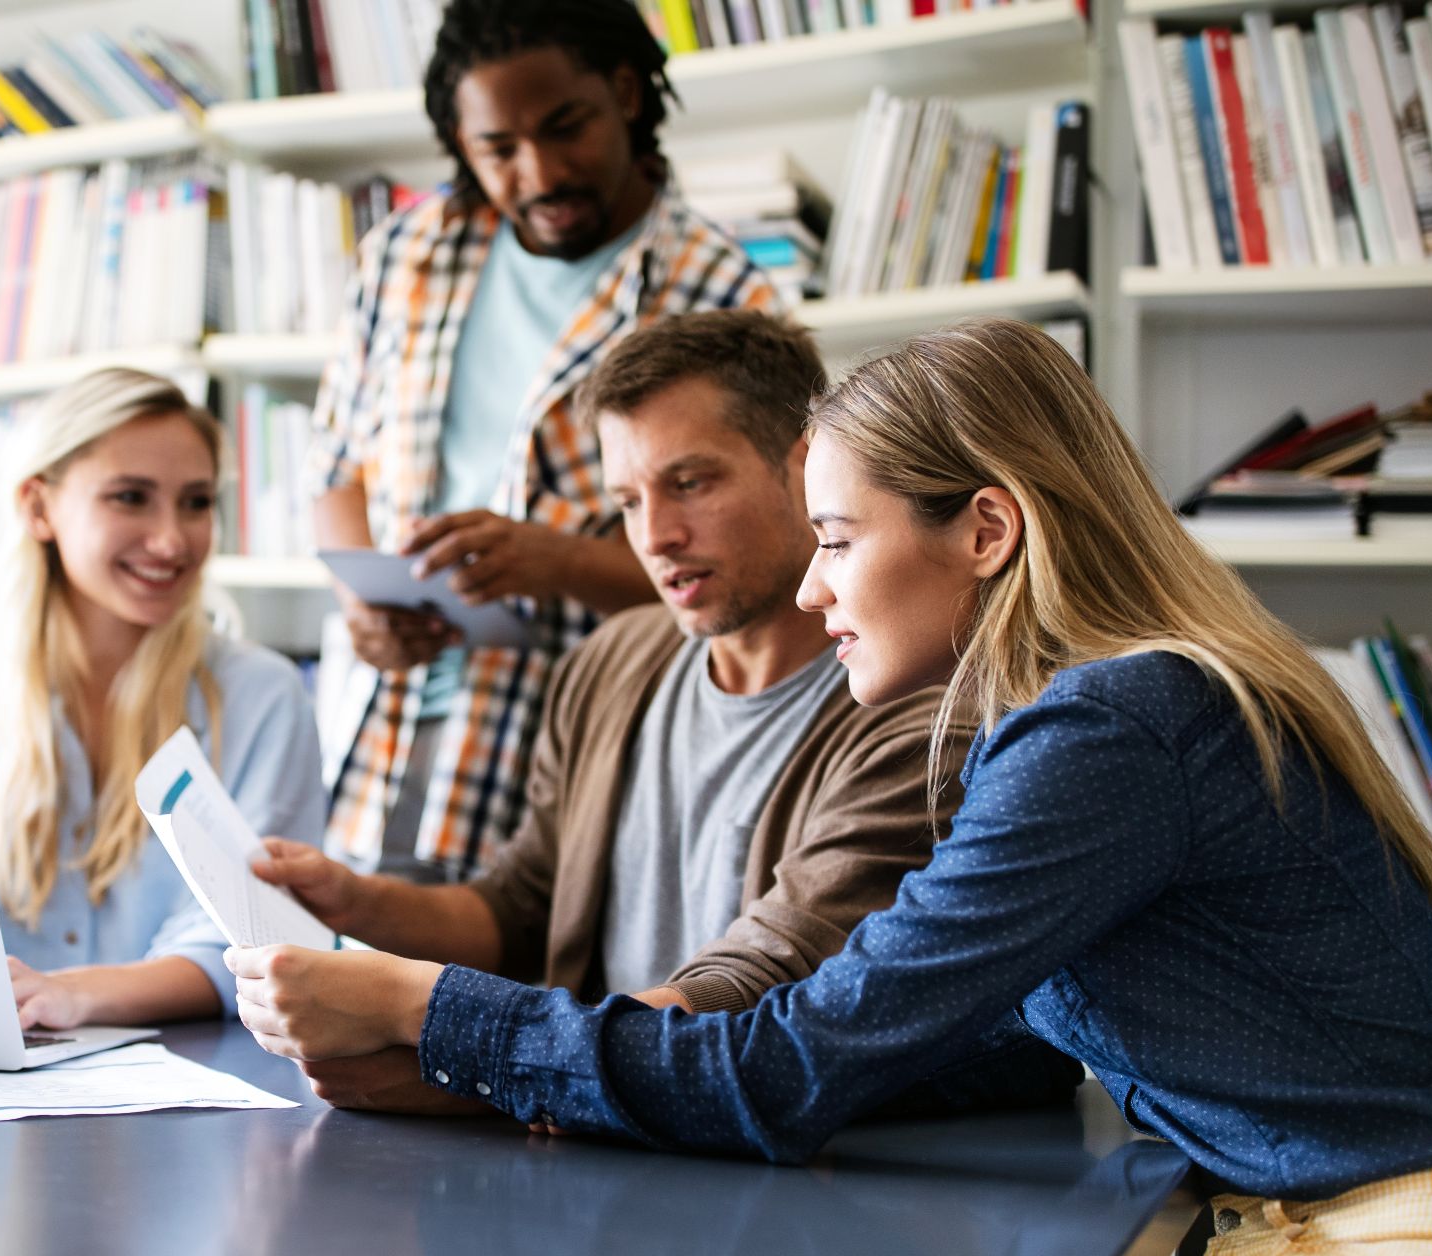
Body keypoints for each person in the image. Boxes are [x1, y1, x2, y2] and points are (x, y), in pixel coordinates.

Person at [231, 320, 1432, 1253]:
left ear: (987, 533)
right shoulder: (1097, 717)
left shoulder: (1111, 731)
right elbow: (955, 1046)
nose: (811, 587)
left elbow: (789, 1067)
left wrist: (433, 1008)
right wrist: (503, 1075)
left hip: (1399, 1228)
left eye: (836, 540)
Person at [255, 311, 1075, 1113]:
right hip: (591, 1136)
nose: (656, 536)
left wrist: (460, 1054)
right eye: (628, 501)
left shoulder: (929, 712)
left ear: (808, 467)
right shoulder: (611, 662)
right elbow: (518, 906)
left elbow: (763, 995)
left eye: (690, 483)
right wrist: (352, 903)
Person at [312, 0, 782, 883]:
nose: (540, 172)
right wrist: (358, 602)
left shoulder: (720, 293)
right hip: (389, 716)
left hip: (586, 728)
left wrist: (553, 561)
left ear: (625, 92)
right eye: (499, 150)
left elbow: (759, 564)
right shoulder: (405, 255)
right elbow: (335, 464)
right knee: (356, 976)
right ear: (461, 141)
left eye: (567, 129)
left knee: (522, 988)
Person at [0, 368, 324, 1031]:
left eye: (196, 502)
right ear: (38, 508)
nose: (172, 540)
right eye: (131, 497)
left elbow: (252, 939)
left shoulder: (263, 697)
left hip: (202, 1085)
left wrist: (74, 993)